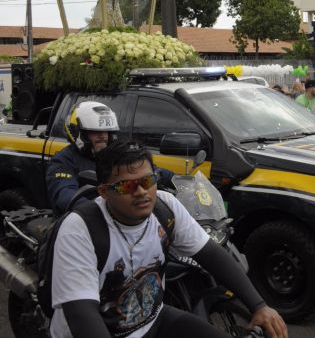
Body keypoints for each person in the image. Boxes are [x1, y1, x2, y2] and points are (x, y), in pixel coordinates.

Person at [49, 140, 288, 338]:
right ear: (104, 191)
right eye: (127, 186)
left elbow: (210, 253)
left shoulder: (165, 207)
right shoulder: (80, 229)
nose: (141, 192)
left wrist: (259, 306)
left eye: (147, 181)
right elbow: (81, 313)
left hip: (152, 321)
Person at [46, 101, 174, 217]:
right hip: (82, 222)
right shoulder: (63, 161)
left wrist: (176, 179)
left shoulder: (114, 155)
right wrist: (102, 211)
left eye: (106, 131)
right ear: (78, 133)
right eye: (94, 131)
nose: (103, 136)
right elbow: (66, 196)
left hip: (121, 217)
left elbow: (148, 170)